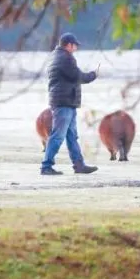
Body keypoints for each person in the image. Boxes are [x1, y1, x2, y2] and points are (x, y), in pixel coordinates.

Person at [41, 33, 100, 176]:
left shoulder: (56, 56)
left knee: (72, 136)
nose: (76, 48)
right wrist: (93, 75)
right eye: (75, 45)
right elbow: (77, 76)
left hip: (66, 102)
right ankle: (46, 166)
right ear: (69, 45)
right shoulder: (65, 58)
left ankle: (79, 165)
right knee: (58, 136)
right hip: (64, 103)